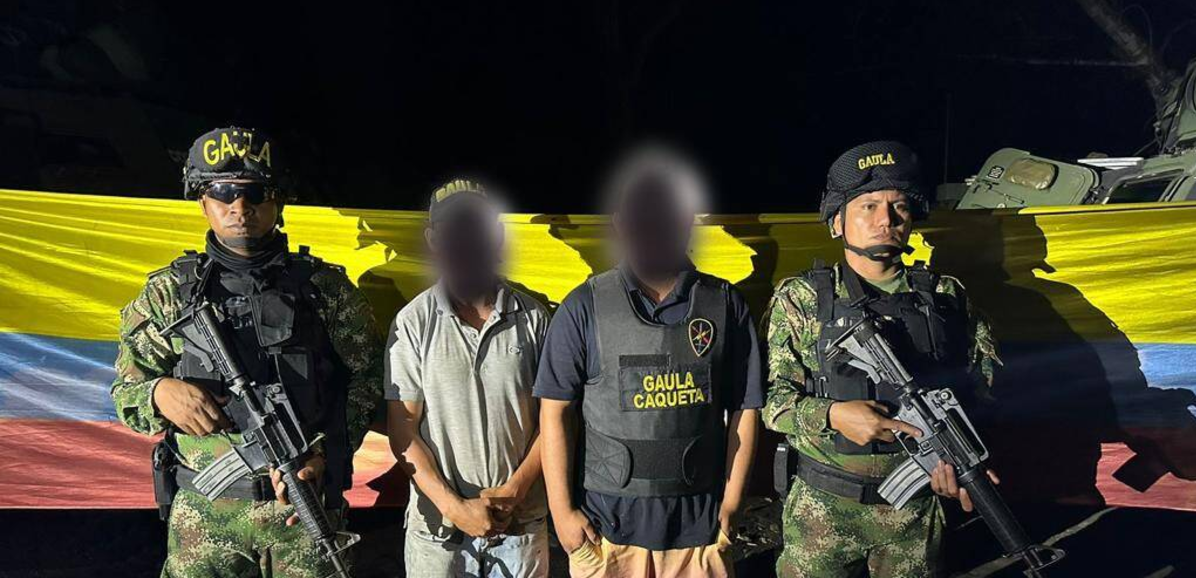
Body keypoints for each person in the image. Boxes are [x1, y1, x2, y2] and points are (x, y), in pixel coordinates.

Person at [111, 126, 383, 578]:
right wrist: (158, 393)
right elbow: (126, 392)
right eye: (223, 192)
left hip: (302, 509)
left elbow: (370, 380)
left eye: (256, 192)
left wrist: (326, 452)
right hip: (203, 518)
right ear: (203, 201)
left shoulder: (324, 289)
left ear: (279, 202)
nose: (240, 207)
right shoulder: (169, 294)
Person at [764, 140, 1002, 577]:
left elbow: (980, 395)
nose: (886, 220)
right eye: (868, 206)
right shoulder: (803, 299)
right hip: (822, 511)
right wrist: (833, 415)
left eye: (899, 207)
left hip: (915, 516)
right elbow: (772, 404)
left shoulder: (946, 297)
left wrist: (962, 461)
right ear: (837, 221)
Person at [536, 153, 764, 578]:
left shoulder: (724, 304)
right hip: (606, 535)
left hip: (701, 534)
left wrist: (732, 504)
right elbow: (555, 411)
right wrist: (562, 513)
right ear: (622, 223)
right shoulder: (583, 306)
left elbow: (746, 408)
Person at [386, 179, 551, 578]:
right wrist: (455, 507)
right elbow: (403, 427)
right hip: (438, 532)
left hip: (520, 526)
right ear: (433, 239)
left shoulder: (534, 318)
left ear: (496, 236)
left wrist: (515, 490)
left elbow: (555, 419)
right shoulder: (412, 322)